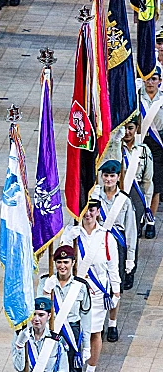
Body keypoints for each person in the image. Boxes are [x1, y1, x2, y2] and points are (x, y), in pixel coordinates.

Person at [59, 199, 121, 372]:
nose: (88, 214)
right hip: (75, 292)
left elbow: (112, 266)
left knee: (94, 333)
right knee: (75, 333)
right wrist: (68, 236)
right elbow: (62, 259)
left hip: (96, 293)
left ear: (97, 211)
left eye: (91, 210)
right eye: (85, 210)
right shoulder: (72, 234)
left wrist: (116, 290)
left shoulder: (106, 237)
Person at [38, 245, 91, 372]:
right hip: (50, 337)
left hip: (70, 339)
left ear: (73, 263)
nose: (61, 266)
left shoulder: (80, 286)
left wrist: (85, 345)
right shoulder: (46, 282)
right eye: (58, 262)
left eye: (65, 262)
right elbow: (38, 311)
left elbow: (85, 318)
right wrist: (45, 291)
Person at [90, 159, 137, 342]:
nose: (108, 179)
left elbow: (131, 230)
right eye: (105, 176)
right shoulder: (94, 195)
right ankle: (98, 322)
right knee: (98, 283)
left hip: (117, 245)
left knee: (114, 286)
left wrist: (130, 259)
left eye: (112, 176)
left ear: (118, 177)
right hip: (96, 243)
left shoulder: (124, 200)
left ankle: (112, 322)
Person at [116, 118, 153, 286]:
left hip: (135, 193)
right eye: (124, 128)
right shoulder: (114, 147)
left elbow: (147, 181)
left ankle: (130, 270)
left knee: (133, 234)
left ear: (137, 128)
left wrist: (146, 205)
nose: (127, 132)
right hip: (118, 192)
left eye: (130, 128)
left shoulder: (143, 151)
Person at [140, 67, 163, 239]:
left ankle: (150, 220)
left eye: (154, 79)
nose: (150, 82)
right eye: (147, 79)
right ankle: (139, 217)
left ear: (160, 81)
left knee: (155, 184)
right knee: (138, 181)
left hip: (158, 144)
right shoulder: (137, 98)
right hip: (140, 141)